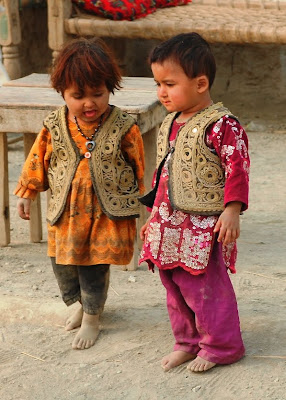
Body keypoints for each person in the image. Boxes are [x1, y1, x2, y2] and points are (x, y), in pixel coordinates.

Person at [14, 37, 145, 350]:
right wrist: (27, 191)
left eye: (98, 94)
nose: (90, 103)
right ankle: (80, 304)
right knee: (64, 265)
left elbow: (138, 166)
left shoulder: (124, 126)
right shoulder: (54, 125)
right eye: (78, 96)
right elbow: (37, 158)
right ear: (62, 92)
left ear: (110, 88)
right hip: (66, 212)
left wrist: (141, 203)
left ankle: (92, 316)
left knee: (93, 265)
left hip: (104, 214)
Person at [139, 32, 250, 372]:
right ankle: (187, 341)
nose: (161, 92)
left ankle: (222, 345)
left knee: (203, 286)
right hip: (168, 222)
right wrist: (153, 216)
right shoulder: (170, 122)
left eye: (169, 83)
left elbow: (238, 168)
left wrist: (232, 211)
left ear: (200, 83)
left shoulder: (223, 126)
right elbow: (163, 175)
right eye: (158, 83)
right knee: (173, 284)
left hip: (204, 226)